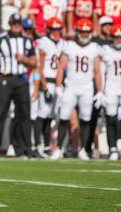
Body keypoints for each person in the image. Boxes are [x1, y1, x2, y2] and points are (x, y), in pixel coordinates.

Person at [0, 13, 37, 158]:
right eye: (14, 22)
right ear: (9, 23)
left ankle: (27, 149)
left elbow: (34, 63)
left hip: (21, 80)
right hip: (5, 79)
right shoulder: (0, 39)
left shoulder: (27, 41)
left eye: (18, 23)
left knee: (24, 116)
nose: (16, 25)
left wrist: (24, 59)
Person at [51, 19, 102, 161]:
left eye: (87, 32)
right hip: (71, 86)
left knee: (86, 119)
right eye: (82, 32)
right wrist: (58, 85)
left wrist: (99, 91)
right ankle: (59, 148)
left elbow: (97, 71)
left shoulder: (94, 48)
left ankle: (83, 149)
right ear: (78, 32)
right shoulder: (70, 46)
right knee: (64, 117)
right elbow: (61, 67)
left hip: (87, 87)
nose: (85, 35)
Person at [34, 18, 65, 157]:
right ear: (48, 30)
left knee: (50, 116)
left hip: (57, 84)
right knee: (41, 115)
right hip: (46, 81)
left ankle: (46, 146)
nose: (56, 32)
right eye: (53, 29)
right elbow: (39, 67)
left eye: (58, 29)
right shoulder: (43, 43)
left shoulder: (63, 44)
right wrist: (44, 87)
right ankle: (36, 145)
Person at [97, 24, 121, 161]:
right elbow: (101, 71)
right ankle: (112, 148)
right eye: (116, 37)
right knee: (111, 118)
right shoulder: (106, 50)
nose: (119, 40)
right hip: (111, 87)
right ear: (111, 37)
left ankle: (118, 143)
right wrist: (101, 91)